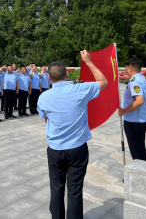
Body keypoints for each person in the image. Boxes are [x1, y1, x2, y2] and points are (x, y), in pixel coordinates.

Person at [37, 51, 108, 219]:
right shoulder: (80, 89)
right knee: (75, 190)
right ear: (67, 74)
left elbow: (47, 120)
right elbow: (103, 81)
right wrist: (88, 62)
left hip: (55, 149)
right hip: (77, 148)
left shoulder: (43, 97)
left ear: (49, 78)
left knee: (56, 188)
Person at [118, 58, 146, 161]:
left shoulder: (134, 82)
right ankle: (141, 173)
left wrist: (123, 111)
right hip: (138, 120)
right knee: (139, 149)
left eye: (126, 68)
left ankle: (140, 175)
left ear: (130, 68)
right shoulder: (142, 78)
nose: (126, 71)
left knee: (137, 152)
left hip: (134, 121)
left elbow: (139, 101)